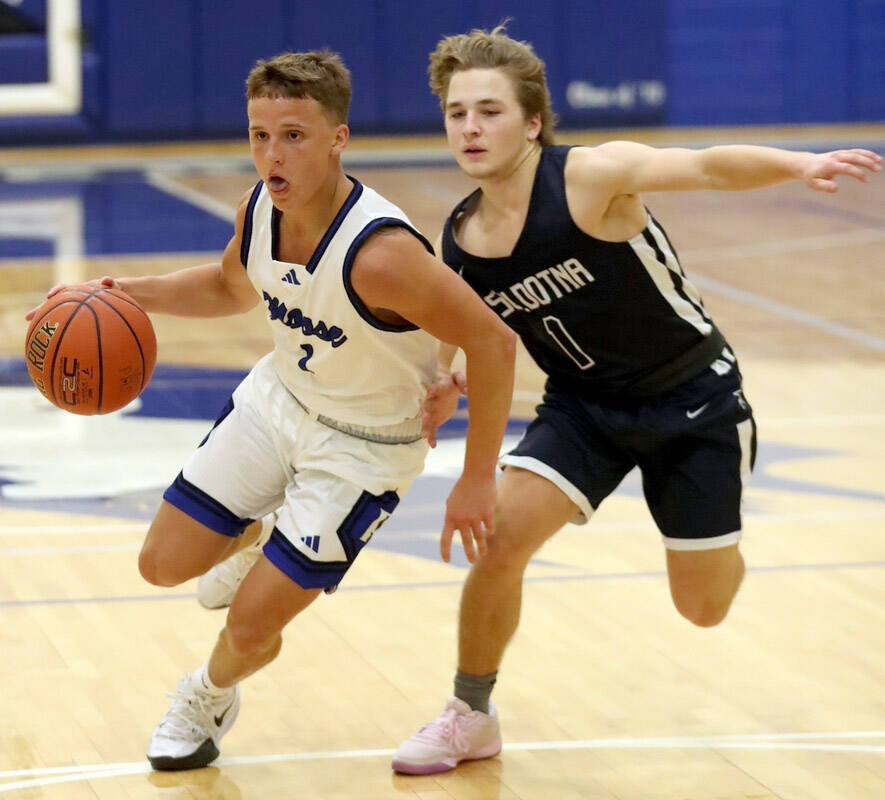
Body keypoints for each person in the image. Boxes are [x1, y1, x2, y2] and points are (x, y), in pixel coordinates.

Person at [390, 27, 882, 775]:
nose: (469, 128)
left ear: (531, 122)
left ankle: (720, 536)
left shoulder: (592, 176)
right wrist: (449, 374)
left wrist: (799, 163)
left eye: (488, 111)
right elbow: (472, 325)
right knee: (499, 543)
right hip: (583, 410)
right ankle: (471, 712)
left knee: (703, 607)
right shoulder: (461, 235)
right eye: (457, 113)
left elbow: (707, 167)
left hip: (692, 401)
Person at [28, 50, 516, 771]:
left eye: (292, 135)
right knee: (161, 567)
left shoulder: (380, 254)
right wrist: (122, 293)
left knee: (252, 626)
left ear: (337, 139)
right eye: (259, 135)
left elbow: (493, 341)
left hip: (363, 448)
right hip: (279, 403)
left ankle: (206, 695)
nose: (271, 153)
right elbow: (230, 287)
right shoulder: (259, 209)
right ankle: (258, 537)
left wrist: (476, 475)